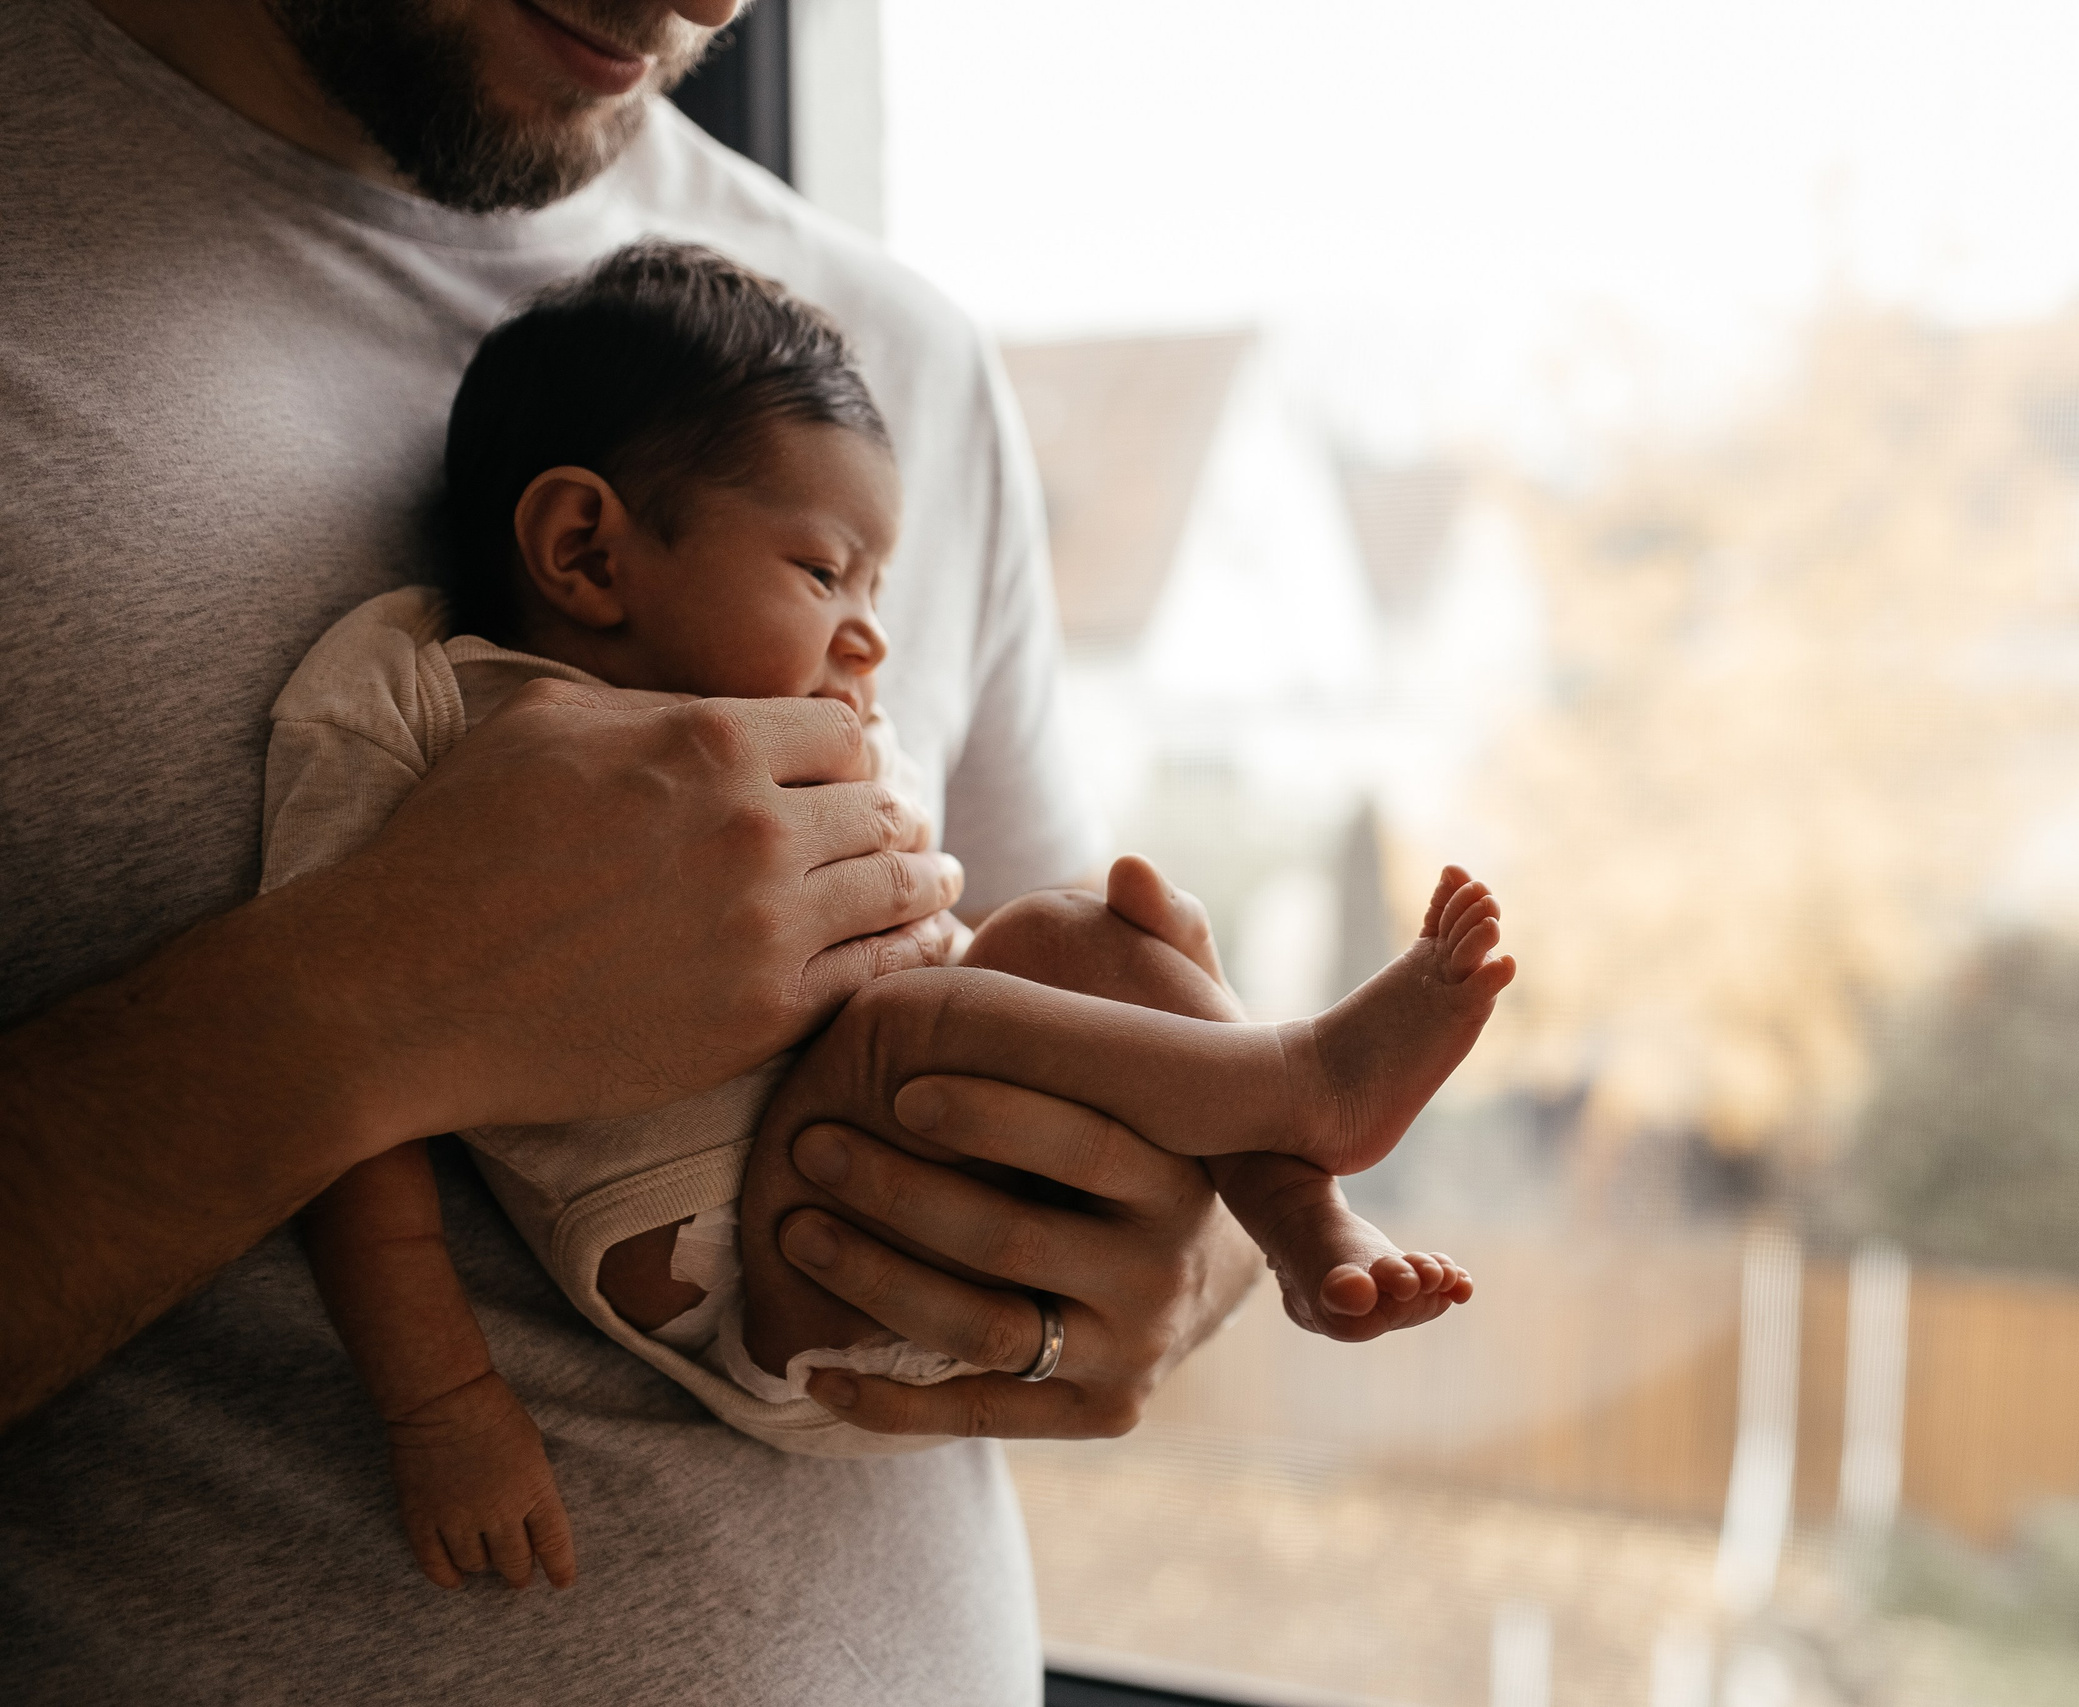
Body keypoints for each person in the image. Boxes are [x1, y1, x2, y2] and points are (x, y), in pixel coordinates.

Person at [0, 1, 1306, 1698]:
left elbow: (1085, 1054)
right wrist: (363, 1005)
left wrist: (1161, 1271)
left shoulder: (890, 364)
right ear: (576, 546)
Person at [278, 240, 1499, 1591]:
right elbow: (325, 1086)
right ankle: (1301, 1080)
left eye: (877, 588)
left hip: (924, 1181)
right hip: (734, 1272)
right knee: (922, 1017)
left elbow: (981, 968)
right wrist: (443, 1409)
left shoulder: (837, 722)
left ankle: (1298, 1215)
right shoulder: (432, 696)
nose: (869, 635)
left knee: (1082, 930)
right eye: (819, 572)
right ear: (583, 549)